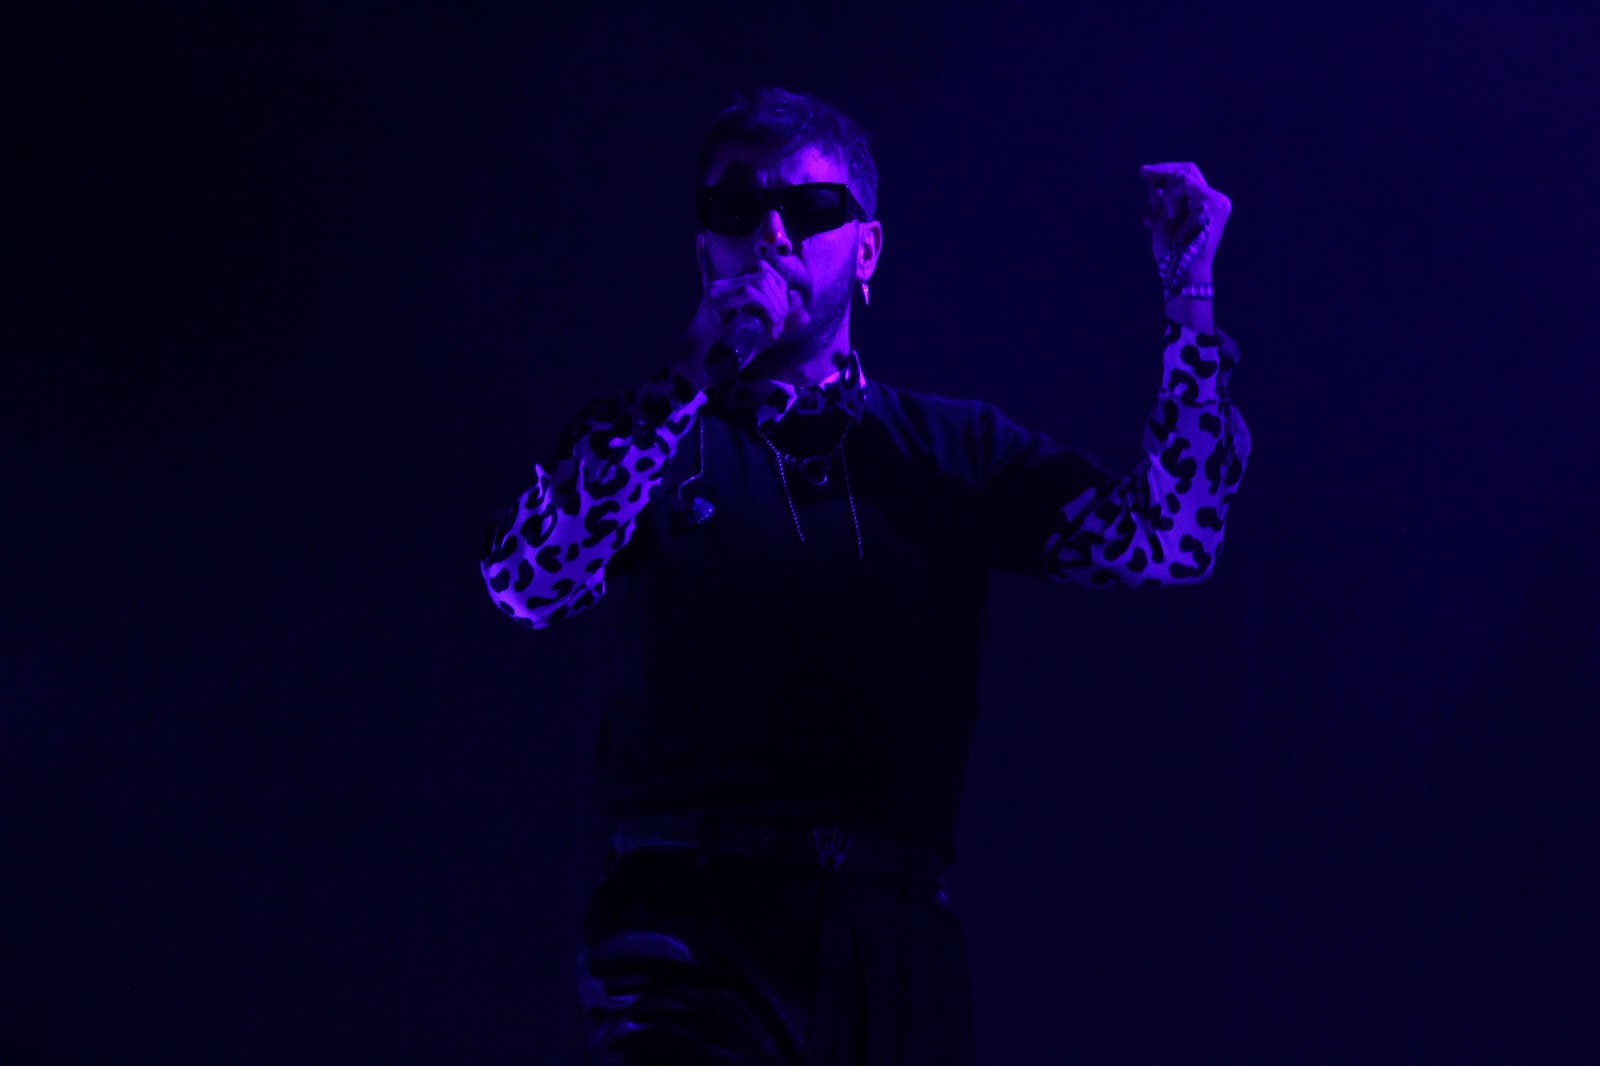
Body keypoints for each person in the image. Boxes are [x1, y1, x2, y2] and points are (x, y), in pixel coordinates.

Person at [479, 86, 1250, 1066]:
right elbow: (527, 581)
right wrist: (685, 380)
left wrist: (1189, 297)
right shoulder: (647, 438)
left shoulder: (955, 448)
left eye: (809, 209)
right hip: (688, 929)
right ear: (703, 247)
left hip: (894, 936)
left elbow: (1171, 538)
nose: (771, 233)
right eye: (735, 207)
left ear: (869, 249)